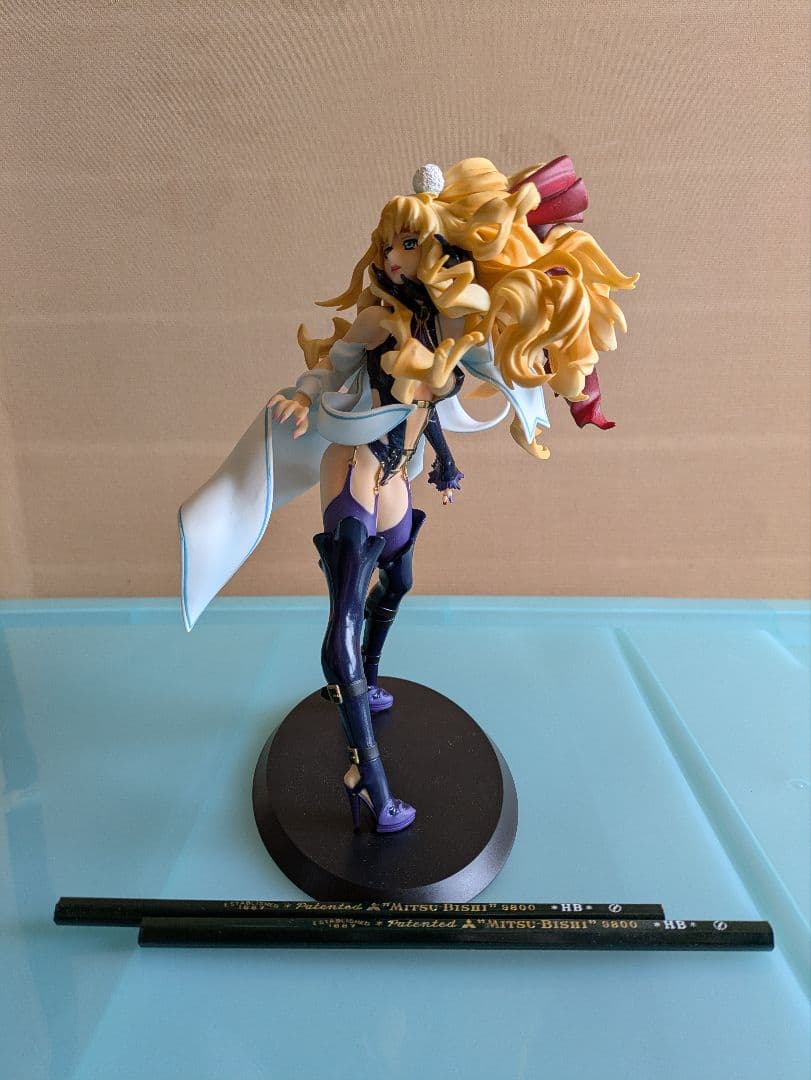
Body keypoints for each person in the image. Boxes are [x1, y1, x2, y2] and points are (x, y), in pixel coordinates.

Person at [179, 156, 638, 835]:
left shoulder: (452, 327)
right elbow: (330, 368)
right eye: (390, 242)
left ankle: (363, 679)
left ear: (443, 251)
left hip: (396, 473)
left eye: (410, 242)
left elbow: (426, 406)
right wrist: (302, 397)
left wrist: (445, 462)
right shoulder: (376, 320)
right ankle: (364, 775)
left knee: (399, 581)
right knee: (343, 615)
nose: (393, 257)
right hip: (356, 470)